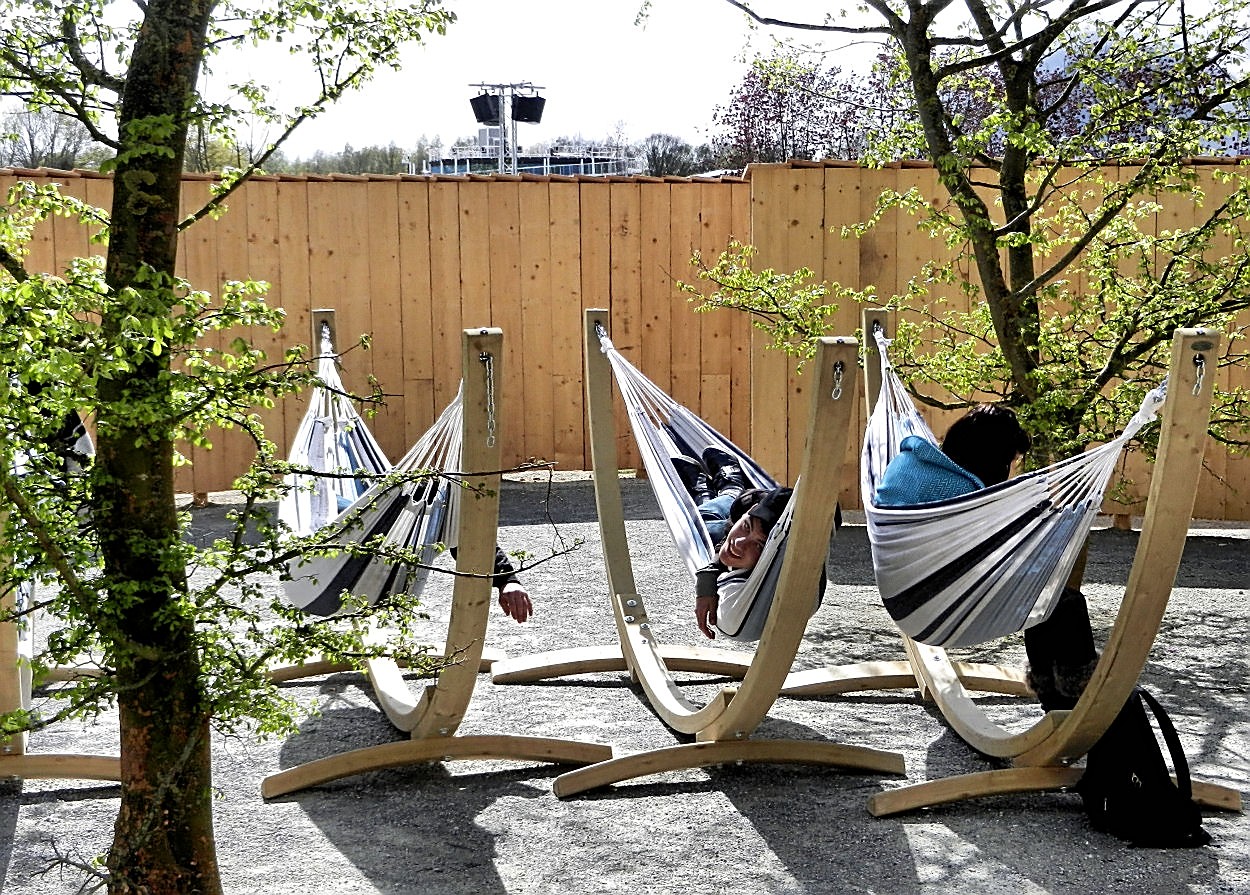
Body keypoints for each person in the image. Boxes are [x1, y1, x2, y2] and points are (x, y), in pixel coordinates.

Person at [874, 403, 1098, 711]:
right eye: (1009, 460)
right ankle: (1073, 697)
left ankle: (1060, 701)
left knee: (1045, 596)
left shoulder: (908, 463)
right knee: (1058, 601)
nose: (1009, 469)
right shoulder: (967, 496)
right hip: (942, 603)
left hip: (903, 590)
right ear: (993, 457)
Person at [672, 447, 799, 639]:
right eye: (746, 527)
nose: (738, 543)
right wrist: (710, 572)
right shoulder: (756, 508)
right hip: (749, 500)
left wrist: (709, 576)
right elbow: (735, 526)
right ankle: (731, 489)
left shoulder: (780, 557)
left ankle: (706, 492)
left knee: (701, 522)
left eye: (759, 545)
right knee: (709, 520)